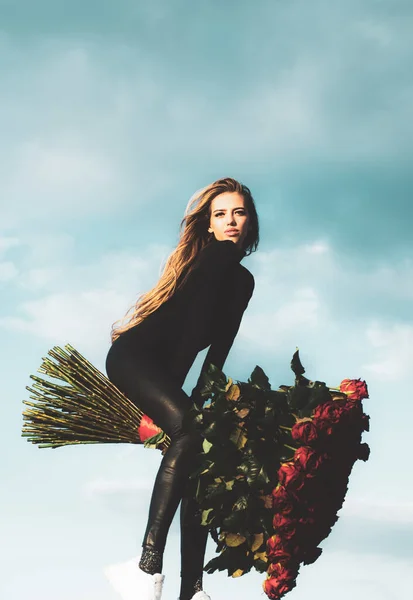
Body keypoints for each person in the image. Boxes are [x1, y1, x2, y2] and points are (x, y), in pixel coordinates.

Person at [104, 177, 259, 600]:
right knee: (192, 432)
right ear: (208, 225)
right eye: (221, 213)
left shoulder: (242, 280)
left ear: (250, 221)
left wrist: (209, 400)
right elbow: (189, 333)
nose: (231, 221)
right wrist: (170, 401)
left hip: (161, 370)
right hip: (136, 359)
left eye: (239, 212)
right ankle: (145, 568)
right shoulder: (213, 260)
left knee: (204, 455)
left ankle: (192, 590)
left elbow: (217, 350)